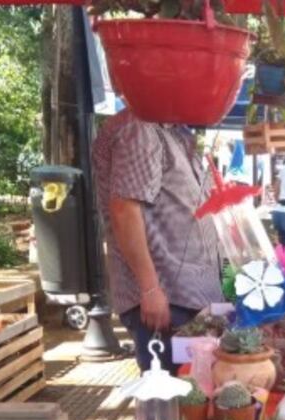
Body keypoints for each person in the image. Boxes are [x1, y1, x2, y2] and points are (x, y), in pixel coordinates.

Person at [93, 110, 224, 375]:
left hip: (191, 297)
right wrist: (150, 289)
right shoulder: (138, 128)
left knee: (196, 396)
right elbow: (124, 210)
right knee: (169, 401)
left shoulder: (174, 130)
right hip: (167, 301)